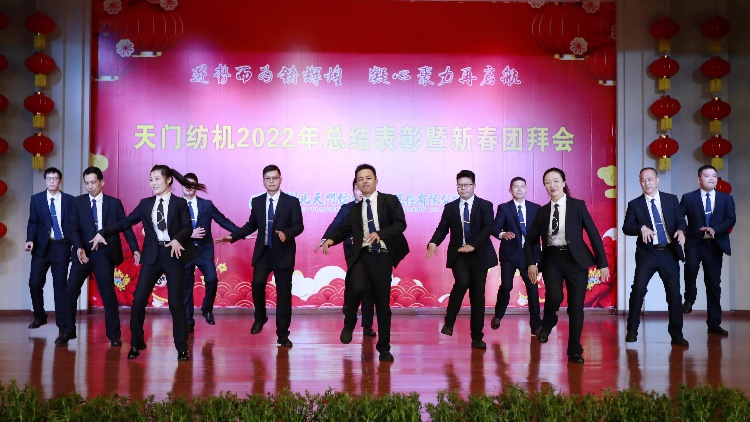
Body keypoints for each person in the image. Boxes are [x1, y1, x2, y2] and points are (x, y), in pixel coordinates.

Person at [90, 165, 202, 361]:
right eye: (151, 179)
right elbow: (125, 223)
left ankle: (182, 348)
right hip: (151, 256)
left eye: (157, 179)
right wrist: (103, 232)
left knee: (176, 304)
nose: (153, 183)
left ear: (168, 180)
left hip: (172, 254)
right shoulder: (145, 204)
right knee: (139, 301)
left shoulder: (179, 203)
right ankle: (136, 343)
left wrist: (177, 239)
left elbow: (187, 228)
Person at [322, 164, 410, 362]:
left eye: (368, 178)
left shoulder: (390, 200)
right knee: (356, 286)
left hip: (382, 256)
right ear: (357, 184)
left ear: (376, 180)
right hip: (361, 256)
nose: (364, 182)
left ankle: (384, 347)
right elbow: (344, 229)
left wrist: (380, 234)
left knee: (382, 304)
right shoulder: (355, 209)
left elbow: (400, 224)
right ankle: (349, 323)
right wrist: (330, 239)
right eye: (360, 179)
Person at [525, 167, 609, 364]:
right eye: (548, 182)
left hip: (576, 260)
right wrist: (531, 263)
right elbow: (529, 240)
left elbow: (593, 234)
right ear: (545, 186)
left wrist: (602, 263)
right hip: (552, 259)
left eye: (556, 181)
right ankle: (549, 321)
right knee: (554, 295)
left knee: (576, 307)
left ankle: (574, 350)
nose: (552, 185)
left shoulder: (577, 206)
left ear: (563, 183)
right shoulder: (542, 212)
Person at [215, 165, 304, 348]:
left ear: (280, 179)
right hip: (263, 252)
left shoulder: (291, 202)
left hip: (283, 253)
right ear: (263, 181)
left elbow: (299, 226)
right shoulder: (257, 202)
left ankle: (283, 334)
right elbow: (251, 225)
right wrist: (233, 237)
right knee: (257, 284)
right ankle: (261, 317)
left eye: (274, 178)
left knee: (283, 295)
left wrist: (286, 233)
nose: (271, 181)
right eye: (268, 178)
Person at [65, 166, 141, 347]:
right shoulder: (77, 202)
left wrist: (135, 248)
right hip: (83, 253)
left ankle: (114, 335)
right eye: (86, 183)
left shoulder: (113, 203)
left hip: (104, 254)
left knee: (108, 293)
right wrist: (79, 247)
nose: (90, 186)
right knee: (69, 291)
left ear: (102, 182)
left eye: (93, 182)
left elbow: (125, 226)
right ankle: (67, 331)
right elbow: (72, 228)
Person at [426, 170, 497, 349]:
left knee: (477, 295)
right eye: (460, 185)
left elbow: (488, 228)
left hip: (479, 254)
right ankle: (449, 322)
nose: (463, 188)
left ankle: (477, 337)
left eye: (466, 185)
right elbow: (442, 228)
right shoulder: (450, 207)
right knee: (463, 281)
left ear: (474, 186)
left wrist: (473, 245)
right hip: (459, 253)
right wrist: (433, 242)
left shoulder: (485, 205)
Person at [622, 167, 689, 346]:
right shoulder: (635, 204)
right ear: (640, 182)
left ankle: (676, 334)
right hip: (647, 254)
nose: (647, 183)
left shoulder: (671, 199)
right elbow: (626, 227)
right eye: (643, 180)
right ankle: (632, 330)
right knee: (638, 290)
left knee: (674, 294)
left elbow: (681, 221)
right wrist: (640, 228)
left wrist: (681, 230)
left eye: (650, 179)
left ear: (657, 180)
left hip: (669, 252)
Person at [314, 179, 377, 337]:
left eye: (363, 187)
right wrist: (326, 238)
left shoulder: (376, 207)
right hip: (352, 250)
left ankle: (367, 325)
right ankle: (349, 302)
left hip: (371, 250)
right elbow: (336, 225)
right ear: (353, 191)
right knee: (356, 280)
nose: (360, 192)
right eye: (357, 189)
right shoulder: (347, 208)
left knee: (369, 287)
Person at [680, 165, 736, 336]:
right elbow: (679, 218)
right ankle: (689, 298)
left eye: (714, 176)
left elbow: (730, 219)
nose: (711, 178)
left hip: (714, 245)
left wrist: (715, 229)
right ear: (699, 179)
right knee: (690, 269)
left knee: (713, 284)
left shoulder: (726, 199)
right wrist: (682, 231)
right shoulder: (688, 198)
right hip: (694, 242)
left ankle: (714, 323)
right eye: (707, 176)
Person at [181, 172, 239, 332]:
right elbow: (170, 229)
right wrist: (188, 234)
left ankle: (207, 309)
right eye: (186, 184)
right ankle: (188, 321)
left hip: (203, 251)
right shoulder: (175, 205)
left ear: (196, 187)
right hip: (184, 251)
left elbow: (222, 220)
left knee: (212, 279)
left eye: (192, 184)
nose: (188, 187)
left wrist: (240, 233)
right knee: (186, 287)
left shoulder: (206, 205)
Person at [25, 167, 74, 345]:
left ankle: (63, 328)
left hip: (61, 247)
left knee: (60, 288)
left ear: (60, 180)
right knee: (34, 283)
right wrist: (30, 240)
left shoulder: (69, 200)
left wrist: (75, 245)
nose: (52, 181)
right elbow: (33, 222)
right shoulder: (36, 199)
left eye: (55, 178)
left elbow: (73, 224)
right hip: (41, 248)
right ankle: (40, 316)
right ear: (45, 181)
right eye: (49, 178)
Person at [491, 177, 542, 335]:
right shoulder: (504, 208)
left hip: (529, 255)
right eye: (516, 187)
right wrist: (502, 234)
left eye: (522, 186)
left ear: (526, 189)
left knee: (532, 288)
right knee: (506, 286)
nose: (519, 189)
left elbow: (542, 232)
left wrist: (540, 257)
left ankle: (536, 325)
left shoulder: (536, 208)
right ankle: (498, 315)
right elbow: (495, 228)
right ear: (510, 190)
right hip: (510, 254)